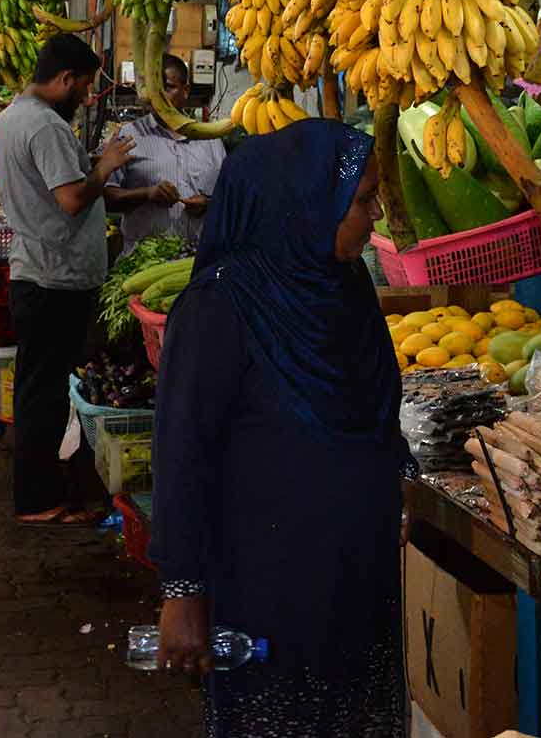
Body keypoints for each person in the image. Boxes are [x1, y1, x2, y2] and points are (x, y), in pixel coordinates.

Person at [150, 120, 407, 736]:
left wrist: (397, 477)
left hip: (358, 572)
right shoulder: (218, 310)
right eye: (362, 201)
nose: (375, 217)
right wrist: (182, 592)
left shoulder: (346, 287)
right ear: (306, 203)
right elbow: (182, 456)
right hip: (266, 584)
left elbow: (377, 401)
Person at [0, 33, 135, 526]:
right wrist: (107, 167)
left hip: (38, 271)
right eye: (85, 86)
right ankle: (37, 502)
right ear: (65, 78)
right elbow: (72, 199)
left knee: (40, 389)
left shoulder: (11, 117)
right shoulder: (46, 127)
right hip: (54, 278)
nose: (87, 96)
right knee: (44, 394)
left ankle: (41, 491)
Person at [105, 55, 225, 253]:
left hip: (196, 263)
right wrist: (147, 194)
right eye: (154, 88)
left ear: (185, 91)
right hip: (142, 264)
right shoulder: (128, 137)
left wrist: (208, 204)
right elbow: (107, 198)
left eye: (168, 87)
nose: (158, 95)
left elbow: (229, 198)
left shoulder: (211, 140)